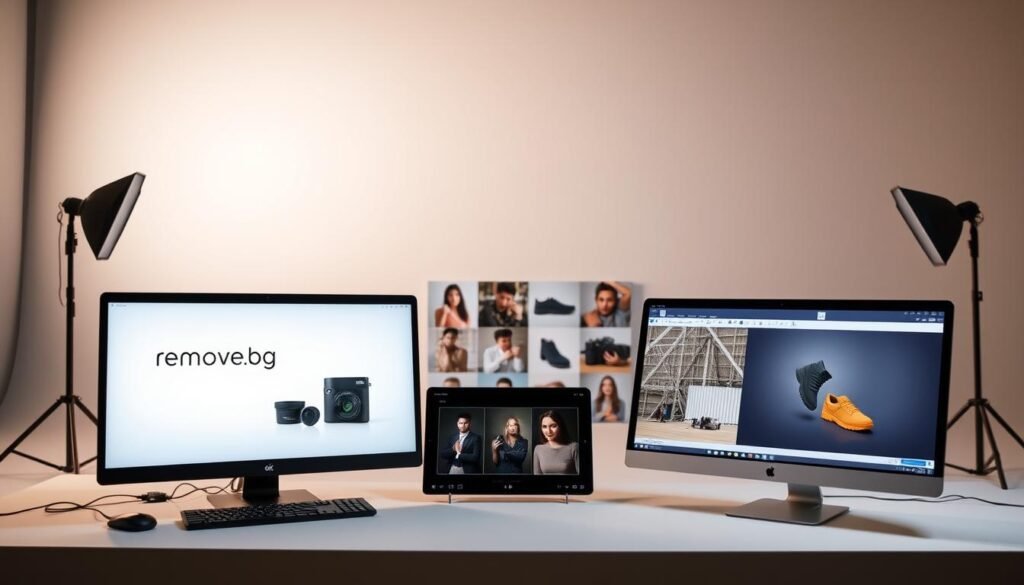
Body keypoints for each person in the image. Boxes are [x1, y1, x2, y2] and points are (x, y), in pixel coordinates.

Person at [532, 410, 579, 475]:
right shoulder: (538, 449)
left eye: (553, 426)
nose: (548, 431)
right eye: (544, 426)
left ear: (561, 426)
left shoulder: (574, 447)